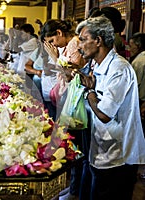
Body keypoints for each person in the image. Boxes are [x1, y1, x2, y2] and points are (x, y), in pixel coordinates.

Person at [76, 15, 145, 200]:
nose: (79, 46)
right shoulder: (96, 65)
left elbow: (105, 114)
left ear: (98, 41)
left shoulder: (118, 68)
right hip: (102, 149)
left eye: (83, 40)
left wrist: (90, 93)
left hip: (119, 156)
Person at [41, 19, 87, 200]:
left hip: (74, 99)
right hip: (67, 97)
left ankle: (75, 190)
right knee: (72, 144)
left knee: (76, 146)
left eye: (52, 40)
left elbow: (71, 74)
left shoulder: (75, 43)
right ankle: (73, 187)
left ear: (59, 33)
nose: (53, 45)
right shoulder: (68, 46)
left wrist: (54, 57)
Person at [128, 32, 145, 133]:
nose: (129, 50)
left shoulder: (138, 62)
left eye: (131, 46)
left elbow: (134, 86)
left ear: (138, 46)